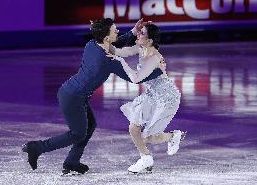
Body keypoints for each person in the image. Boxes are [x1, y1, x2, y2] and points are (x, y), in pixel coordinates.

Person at [22, 18, 165, 175]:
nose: (118, 31)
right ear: (106, 37)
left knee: (89, 126)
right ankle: (36, 147)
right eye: (114, 30)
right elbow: (135, 78)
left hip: (71, 92)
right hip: (73, 98)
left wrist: (132, 32)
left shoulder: (92, 44)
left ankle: (71, 162)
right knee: (77, 133)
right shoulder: (109, 61)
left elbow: (114, 44)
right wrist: (159, 70)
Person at [107, 23, 186, 174]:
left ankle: (173, 136)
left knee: (148, 137)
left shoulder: (154, 58)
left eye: (141, 33)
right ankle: (146, 159)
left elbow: (136, 79)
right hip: (152, 95)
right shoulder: (140, 48)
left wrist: (120, 61)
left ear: (149, 40)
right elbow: (118, 50)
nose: (138, 34)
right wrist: (102, 42)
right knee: (134, 128)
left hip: (166, 98)